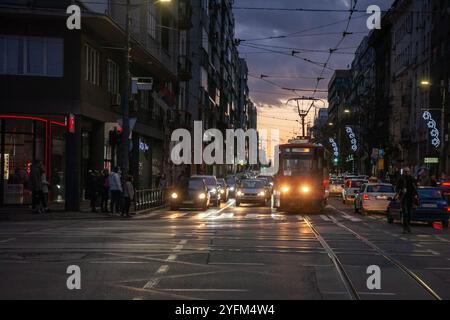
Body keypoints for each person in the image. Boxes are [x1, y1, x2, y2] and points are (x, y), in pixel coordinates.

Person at [395, 167, 418, 234]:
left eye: (408, 171)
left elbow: (415, 187)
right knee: (405, 213)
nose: (407, 173)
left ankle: (408, 226)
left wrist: (415, 195)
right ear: (404, 172)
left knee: (410, 214)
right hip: (404, 198)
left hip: (411, 198)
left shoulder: (412, 179)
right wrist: (401, 190)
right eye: (406, 171)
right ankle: (405, 228)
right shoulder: (401, 179)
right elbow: (397, 188)